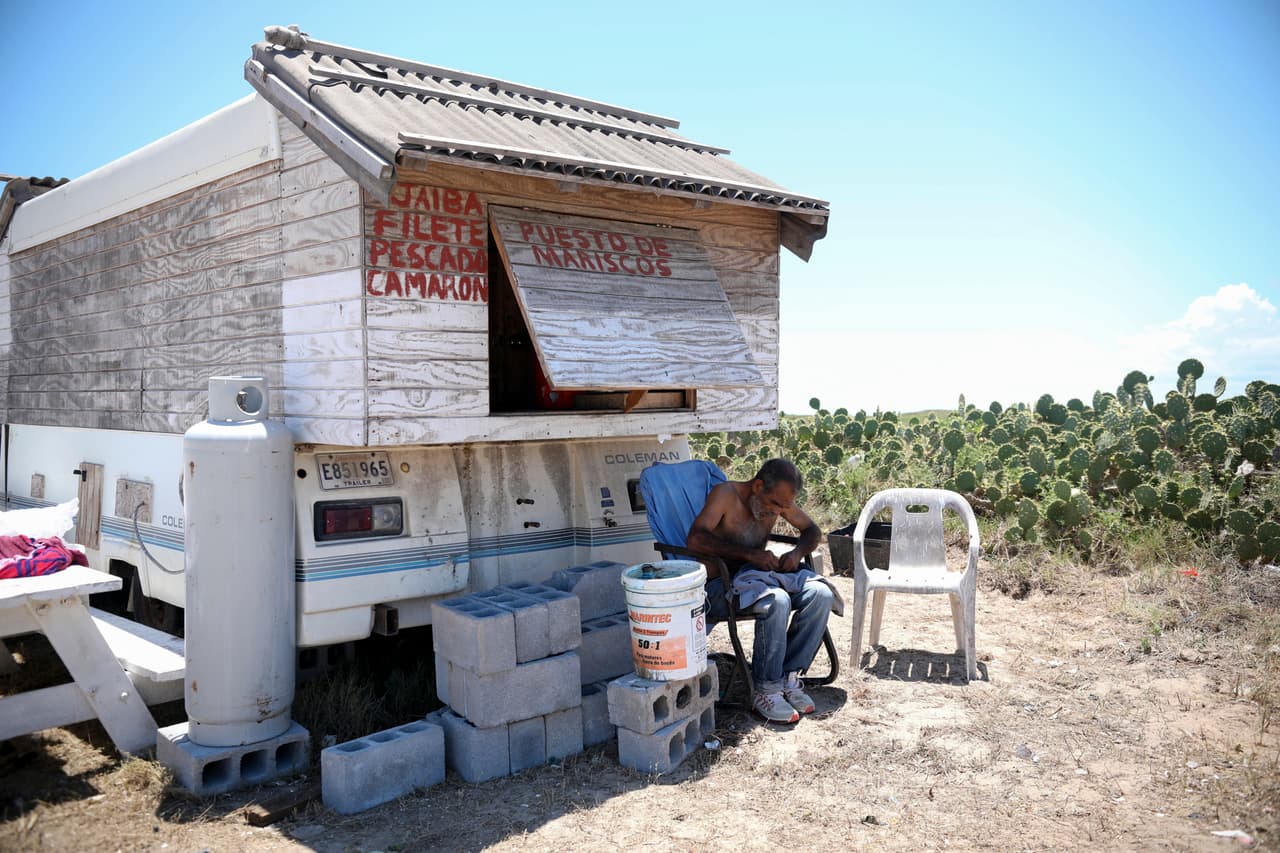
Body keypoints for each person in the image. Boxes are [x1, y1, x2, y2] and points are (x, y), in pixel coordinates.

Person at [686, 458, 834, 723]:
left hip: (756, 579)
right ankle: (765, 689)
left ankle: (788, 678)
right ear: (757, 486)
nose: (778, 512)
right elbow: (695, 539)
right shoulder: (726, 495)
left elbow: (812, 529)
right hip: (719, 587)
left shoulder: (777, 501)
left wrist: (797, 552)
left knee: (821, 595)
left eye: (784, 507)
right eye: (775, 505)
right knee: (776, 600)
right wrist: (750, 554)